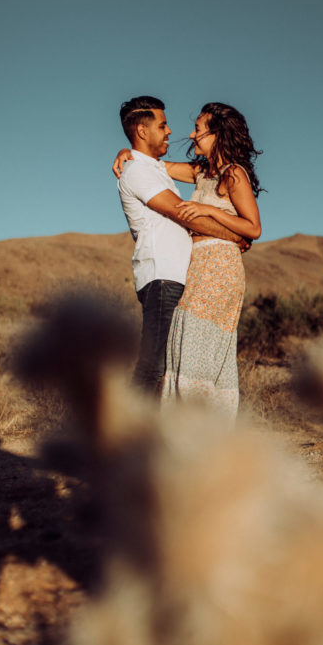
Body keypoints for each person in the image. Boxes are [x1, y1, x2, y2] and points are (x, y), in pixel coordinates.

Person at [115, 96, 247, 394]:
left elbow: (191, 171)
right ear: (143, 131)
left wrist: (127, 150)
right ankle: (128, 436)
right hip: (162, 276)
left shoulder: (153, 168)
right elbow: (181, 212)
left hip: (179, 276)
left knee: (169, 366)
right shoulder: (138, 172)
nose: (172, 131)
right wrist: (236, 236)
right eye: (162, 125)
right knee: (155, 365)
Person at [161, 102, 262, 417]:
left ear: (219, 134)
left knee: (197, 341)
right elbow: (157, 166)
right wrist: (128, 154)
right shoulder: (201, 172)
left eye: (199, 129)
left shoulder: (234, 174)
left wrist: (211, 210)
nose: (191, 134)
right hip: (198, 264)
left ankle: (200, 428)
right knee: (184, 339)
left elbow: (254, 228)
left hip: (220, 267)